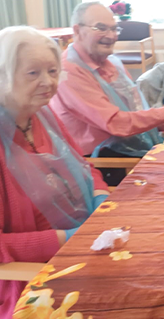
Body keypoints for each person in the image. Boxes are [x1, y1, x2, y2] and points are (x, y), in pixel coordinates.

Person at [0, 26, 110, 316]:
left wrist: (100, 196)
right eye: (33, 73)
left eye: (52, 71)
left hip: (84, 245)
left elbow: (83, 166)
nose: (48, 82)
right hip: (30, 279)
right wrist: (67, 238)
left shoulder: (42, 115)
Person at [49, 2, 164, 184]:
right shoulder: (69, 72)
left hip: (130, 145)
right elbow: (119, 124)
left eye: (114, 29)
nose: (111, 36)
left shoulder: (111, 62)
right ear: (77, 30)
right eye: (101, 28)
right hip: (101, 163)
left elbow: (134, 108)